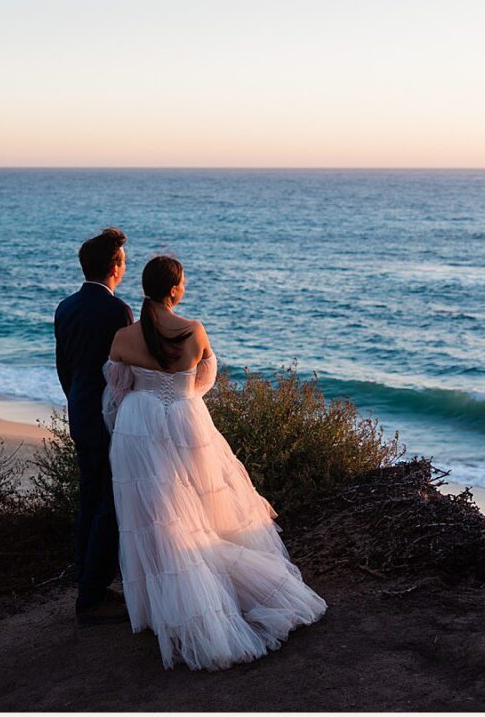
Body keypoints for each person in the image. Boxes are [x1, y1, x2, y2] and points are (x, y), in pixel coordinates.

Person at [102, 254, 325, 671]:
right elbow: (203, 380)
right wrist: (178, 398)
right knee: (201, 511)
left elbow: (116, 393)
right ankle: (205, 598)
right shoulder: (194, 330)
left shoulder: (123, 337)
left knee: (155, 518)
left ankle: (166, 608)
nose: (185, 287)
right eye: (183, 283)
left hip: (138, 427)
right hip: (187, 421)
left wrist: (145, 404)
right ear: (173, 290)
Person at [53, 227, 135, 626]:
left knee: (89, 499)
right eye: (124, 261)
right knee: (109, 501)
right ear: (115, 267)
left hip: (79, 412)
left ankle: (87, 582)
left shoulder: (65, 307)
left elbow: (64, 368)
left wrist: (78, 402)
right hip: (106, 418)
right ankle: (92, 595)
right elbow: (124, 372)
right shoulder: (117, 311)